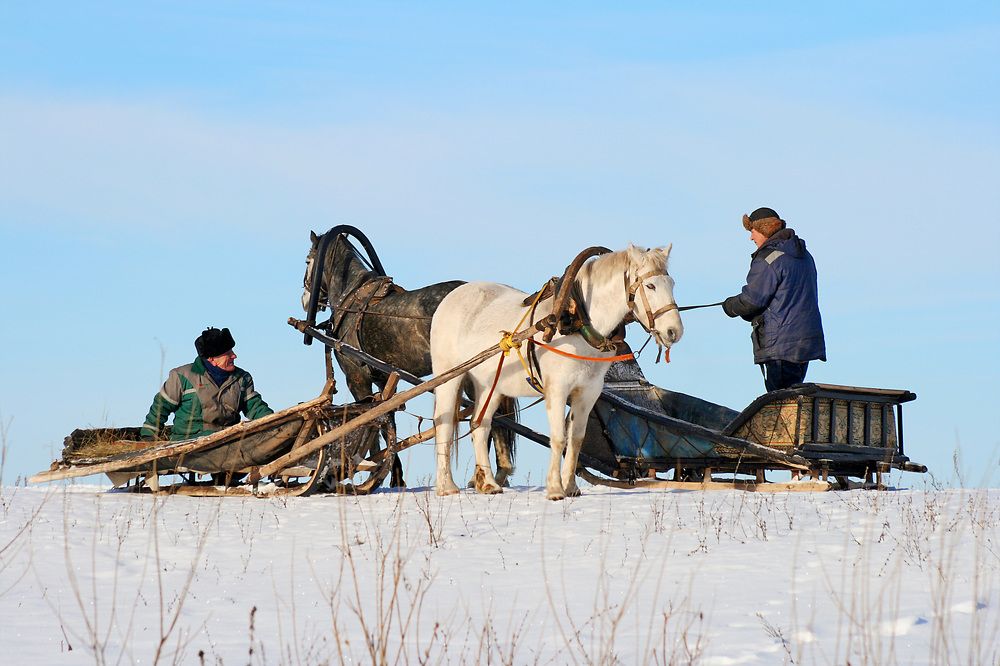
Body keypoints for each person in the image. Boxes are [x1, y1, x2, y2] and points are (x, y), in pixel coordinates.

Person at [722, 207, 826, 392]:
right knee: (792, 400)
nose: (751, 238)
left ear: (762, 229)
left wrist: (730, 306)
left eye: (752, 232)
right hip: (805, 342)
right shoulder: (804, 255)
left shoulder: (768, 258)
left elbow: (752, 300)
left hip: (780, 344)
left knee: (779, 404)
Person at [140, 327, 273, 441]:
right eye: (228, 353)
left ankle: (228, 472)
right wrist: (149, 438)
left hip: (228, 440)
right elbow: (160, 408)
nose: (234, 356)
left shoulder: (242, 378)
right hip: (189, 442)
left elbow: (256, 407)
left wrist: (275, 423)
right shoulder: (181, 377)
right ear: (212, 359)